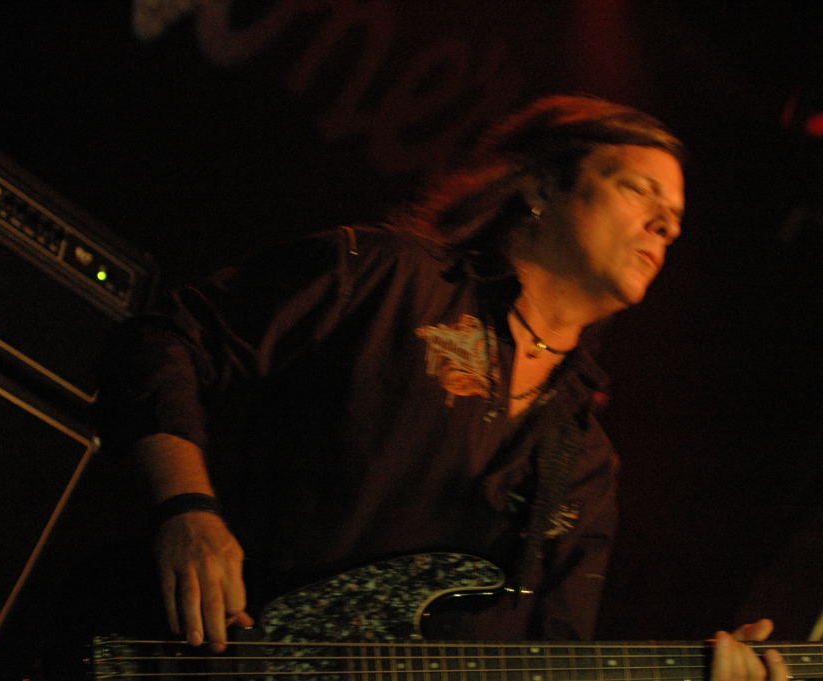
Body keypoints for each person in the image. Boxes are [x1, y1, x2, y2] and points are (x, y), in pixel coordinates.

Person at [96, 94, 788, 680]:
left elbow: (558, 660)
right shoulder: (391, 279)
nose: (665, 225)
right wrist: (186, 510)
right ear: (542, 187)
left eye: (675, 217)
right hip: (177, 648)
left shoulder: (585, 464)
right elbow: (162, 340)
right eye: (637, 189)